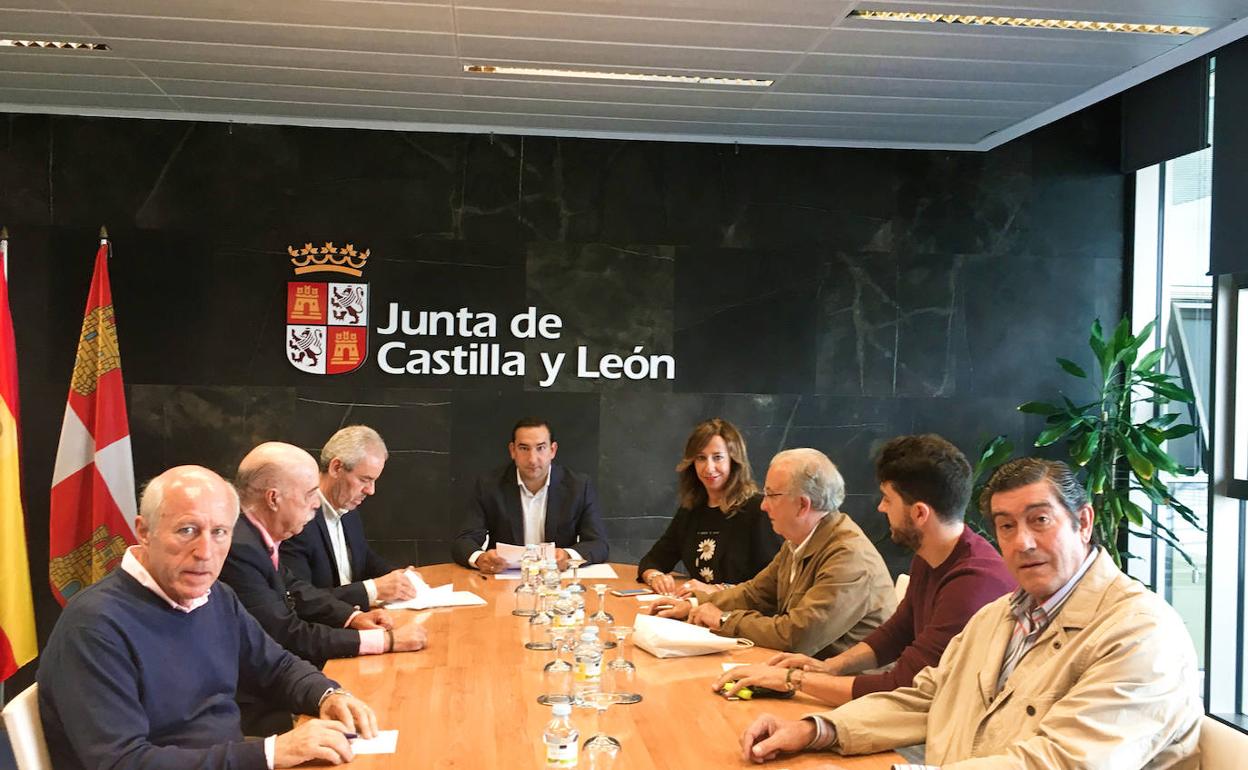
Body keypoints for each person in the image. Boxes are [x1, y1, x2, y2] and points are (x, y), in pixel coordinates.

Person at [739, 458, 1201, 769]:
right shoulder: (997, 617)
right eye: (1006, 526)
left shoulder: (1141, 633)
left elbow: (1061, 762)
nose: (1021, 542)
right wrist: (816, 729)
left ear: (1083, 522)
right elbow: (924, 698)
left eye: (1040, 520)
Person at [38, 465, 379, 770]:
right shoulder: (94, 627)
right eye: (187, 530)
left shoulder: (214, 595)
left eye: (219, 532)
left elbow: (275, 665)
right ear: (144, 531)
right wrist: (268, 754)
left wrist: (328, 695)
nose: (205, 553)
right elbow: (122, 762)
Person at [716, 434, 1014, 706]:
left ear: (919, 513)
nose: (880, 509)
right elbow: (897, 631)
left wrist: (795, 680)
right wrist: (830, 667)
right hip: (917, 704)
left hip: (941, 725)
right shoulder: (930, 554)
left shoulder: (971, 583)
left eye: (887, 499)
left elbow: (903, 685)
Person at [218, 442, 428, 732]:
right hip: (255, 707)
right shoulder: (240, 549)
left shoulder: (255, 538)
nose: (317, 503)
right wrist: (385, 642)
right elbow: (286, 634)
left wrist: (352, 617)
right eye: (309, 494)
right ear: (273, 498)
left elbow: (296, 589)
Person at [650, 448, 896, 657]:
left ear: (802, 505)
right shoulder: (799, 541)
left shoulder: (849, 557)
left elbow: (796, 637)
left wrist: (723, 620)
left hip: (844, 694)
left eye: (771, 495)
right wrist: (694, 604)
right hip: (804, 674)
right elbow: (754, 594)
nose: (764, 505)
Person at [637, 417, 782, 596]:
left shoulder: (759, 510)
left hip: (740, 616)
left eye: (718, 457)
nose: (709, 468)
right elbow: (653, 560)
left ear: (734, 461)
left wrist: (716, 590)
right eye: (701, 458)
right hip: (695, 612)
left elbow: (775, 584)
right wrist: (655, 576)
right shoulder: (691, 510)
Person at [280, 425, 419, 607]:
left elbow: (364, 558)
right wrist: (373, 589)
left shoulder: (348, 509)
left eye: (374, 481)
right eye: (364, 480)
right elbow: (300, 598)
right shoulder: (298, 519)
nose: (371, 491)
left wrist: (398, 577)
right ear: (336, 467)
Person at [452, 417, 609, 573]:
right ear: (513, 451)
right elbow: (464, 540)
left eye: (540, 448)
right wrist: (480, 559)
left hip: (556, 581)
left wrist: (567, 556)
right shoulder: (489, 485)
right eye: (524, 448)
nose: (533, 459)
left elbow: (598, 544)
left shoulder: (578, 486)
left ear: (552, 450)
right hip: (504, 581)